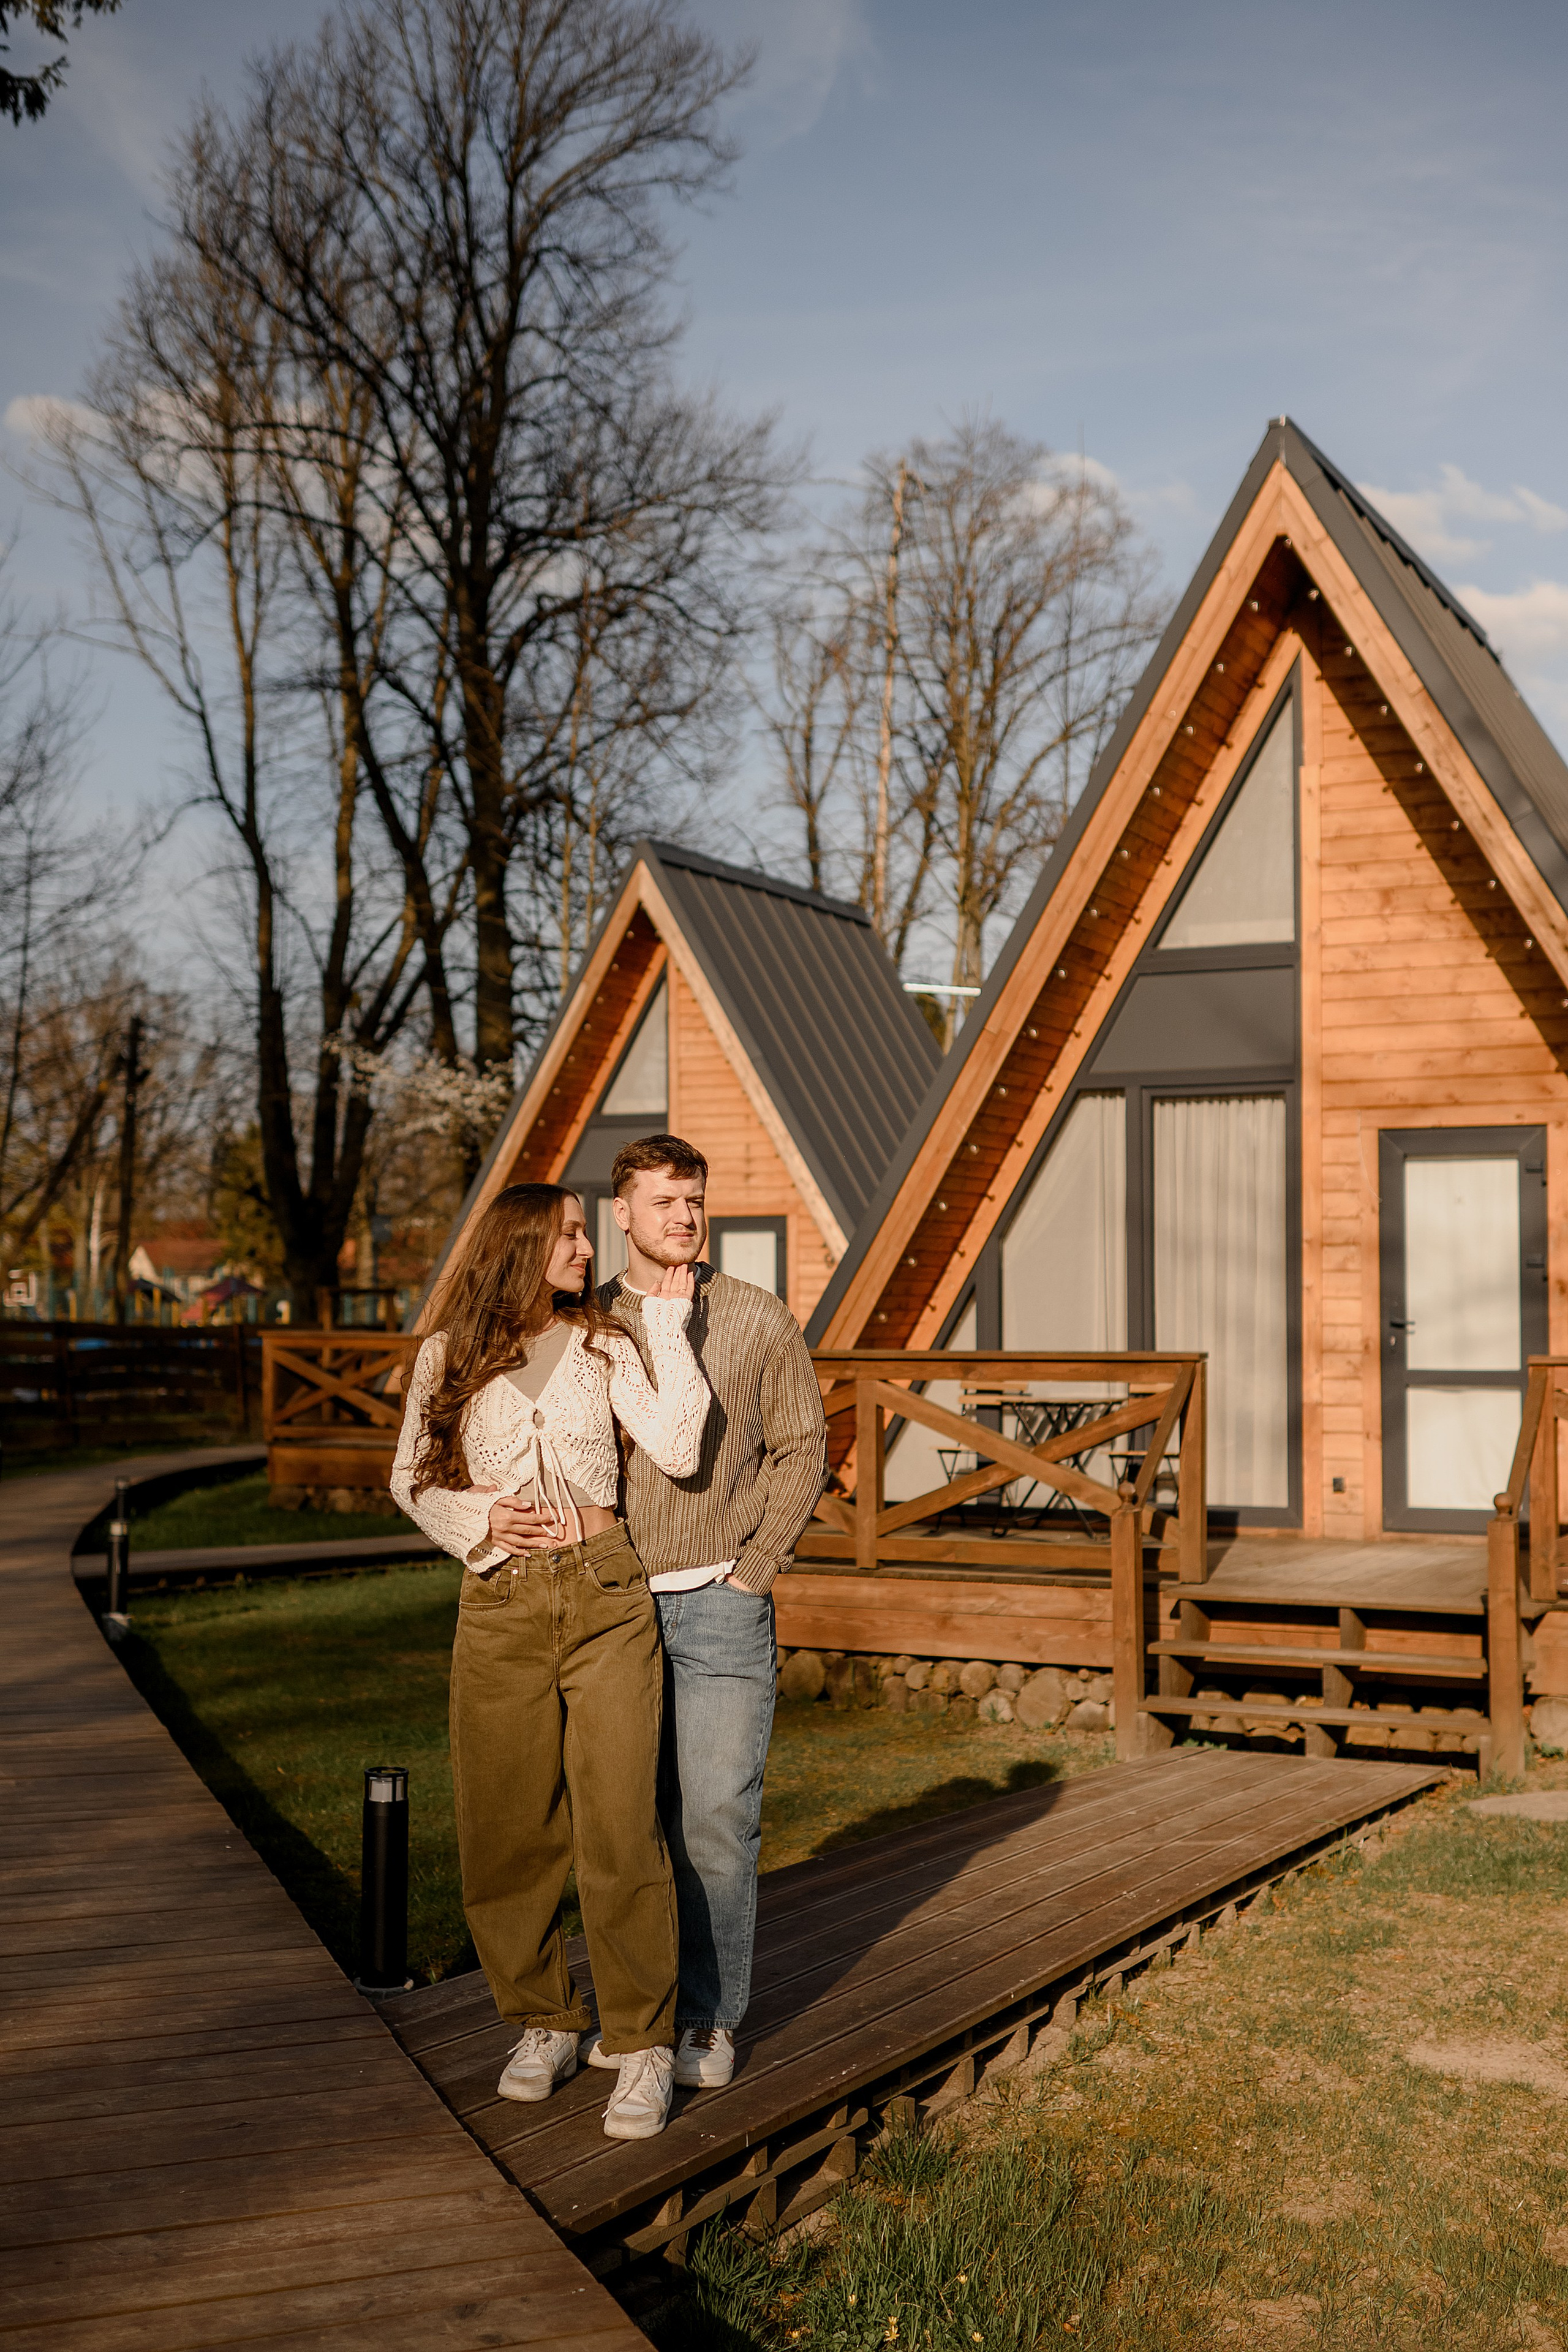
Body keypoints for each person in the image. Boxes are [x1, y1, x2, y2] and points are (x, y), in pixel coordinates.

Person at [390, 1183, 709, 2142]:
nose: (584, 1247)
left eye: (583, 1229)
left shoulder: (609, 1341)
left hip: (607, 1595)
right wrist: (479, 1518)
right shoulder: (445, 1355)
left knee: (618, 1824)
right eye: (570, 1232)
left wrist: (675, 1323)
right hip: (497, 1602)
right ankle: (542, 2020)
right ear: (523, 1243)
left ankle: (643, 2040)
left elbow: (681, 1444)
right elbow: (410, 1474)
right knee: (507, 1825)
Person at [600, 1134, 827, 2088]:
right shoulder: (588, 1326)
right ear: (623, 1214)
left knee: (717, 1821)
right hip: (611, 1610)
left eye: (694, 1200)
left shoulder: (755, 1318)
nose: (684, 1219)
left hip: (723, 1608)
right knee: (624, 1823)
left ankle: (708, 2018)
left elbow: (803, 1446)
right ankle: (635, 2014)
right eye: (663, 1203)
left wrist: (756, 1567)